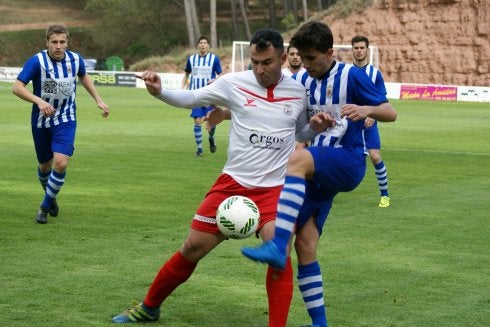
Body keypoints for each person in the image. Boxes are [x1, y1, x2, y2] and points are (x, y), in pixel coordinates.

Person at [112, 28, 323, 326]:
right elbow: (192, 98)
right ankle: (149, 307)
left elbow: (299, 131)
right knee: (192, 247)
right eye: (254, 62)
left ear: (282, 58)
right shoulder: (234, 83)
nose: (259, 69)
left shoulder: (298, 92)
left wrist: (314, 128)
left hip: (275, 189)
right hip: (232, 184)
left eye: (267, 62)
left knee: (280, 250)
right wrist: (159, 90)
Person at [241, 21, 397, 327]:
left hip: (349, 161)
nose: (307, 64)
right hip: (319, 169)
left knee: (297, 160)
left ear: (329, 52)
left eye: (312, 58)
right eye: (303, 57)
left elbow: (390, 112)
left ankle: (275, 245)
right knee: (306, 244)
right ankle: (319, 323)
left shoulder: (351, 75)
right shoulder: (304, 83)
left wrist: (366, 110)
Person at [12, 24, 110, 224]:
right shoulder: (37, 61)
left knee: (61, 162)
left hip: (66, 118)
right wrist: (39, 101)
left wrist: (98, 99)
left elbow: (84, 76)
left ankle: (44, 206)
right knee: (44, 166)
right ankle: (51, 194)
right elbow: (17, 87)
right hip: (41, 121)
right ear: (47, 42)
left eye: (62, 42)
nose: (58, 46)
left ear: (67, 42)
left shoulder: (75, 59)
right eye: (54, 42)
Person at [352, 34, 390, 207]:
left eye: (362, 48)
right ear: (352, 50)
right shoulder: (346, 72)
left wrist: (372, 115)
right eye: (356, 48)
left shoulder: (375, 74)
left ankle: (385, 195)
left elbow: (382, 101)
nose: (359, 51)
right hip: (350, 123)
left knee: (375, 156)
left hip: (368, 123)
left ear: (367, 50)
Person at [182, 35, 223, 156]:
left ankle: (211, 137)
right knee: (197, 121)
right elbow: (186, 74)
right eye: (201, 43)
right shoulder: (192, 59)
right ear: (198, 45)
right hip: (195, 95)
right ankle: (199, 148)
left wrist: (215, 80)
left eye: (205, 43)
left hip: (210, 95)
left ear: (208, 45)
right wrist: (182, 88)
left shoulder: (214, 59)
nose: (203, 45)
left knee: (212, 120)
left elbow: (220, 75)